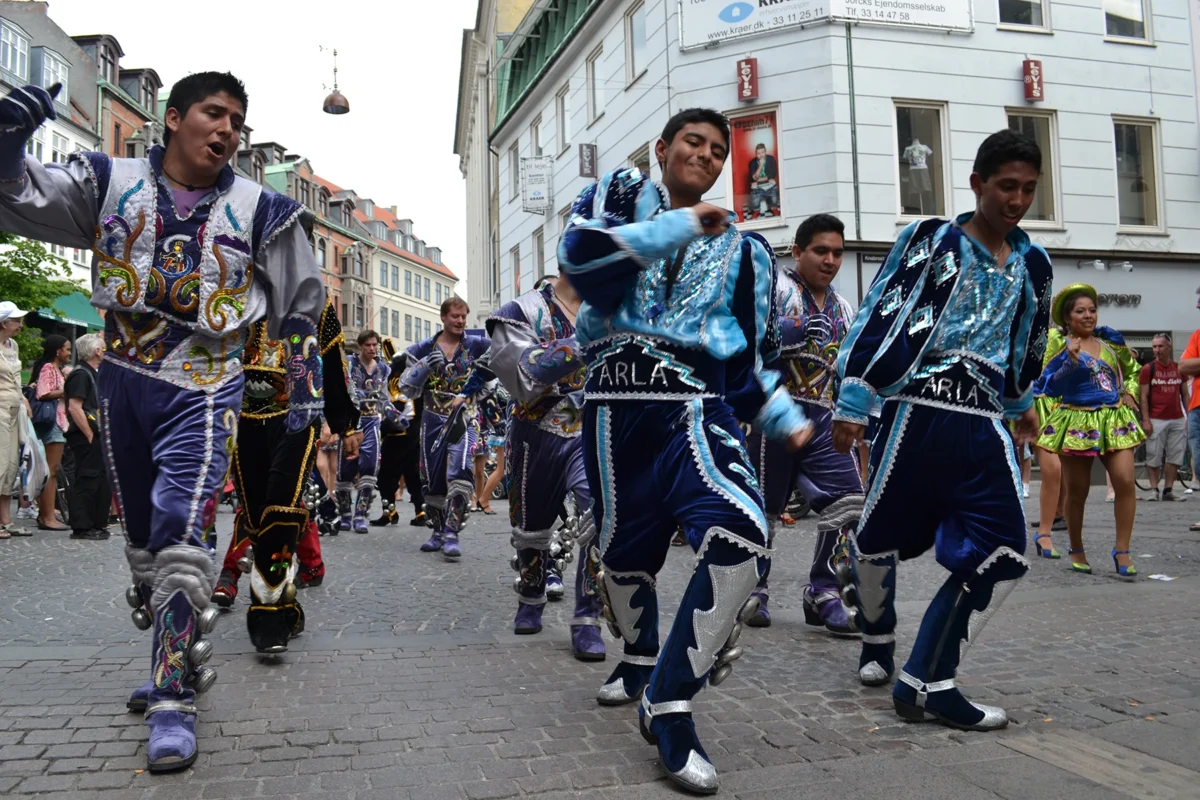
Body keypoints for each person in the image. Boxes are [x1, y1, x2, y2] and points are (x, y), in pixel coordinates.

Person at [0, 74, 354, 772]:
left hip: (204, 384)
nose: (225, 131)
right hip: (124, 381)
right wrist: (9, 143)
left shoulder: (265, 209)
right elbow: (17, 197)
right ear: (173, 118)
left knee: (180, 528)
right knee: (140, 541)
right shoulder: (109, 181)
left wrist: (307, 396)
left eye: (237, 123)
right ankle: (175, 657)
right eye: (213, 114)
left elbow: (302, 304)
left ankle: (171, 696)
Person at [559, 107, 812, 794]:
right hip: (613, 412)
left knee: (742, 531)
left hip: (694, 411)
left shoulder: (747, 252)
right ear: (663, 148)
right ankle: (638, 655)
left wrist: (788, 418)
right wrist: (678, 225)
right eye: (691, 143)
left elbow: (751, 360)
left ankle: (668, 701)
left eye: (715, 150)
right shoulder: (616, 194)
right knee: (622, 558)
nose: (703, 156)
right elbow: (581, 263)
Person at [832, 129, 1052, 732]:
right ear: (978, 183)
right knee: (878, 540)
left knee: (1006, 551)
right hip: (918, 414)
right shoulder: (933, 239)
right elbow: (884, 307)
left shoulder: (1034, 262)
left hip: (983, 422)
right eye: (1006, 186)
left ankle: (928, 677)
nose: (1017, 200)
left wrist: (1021, 403)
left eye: (1028, 190)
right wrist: (854, 398)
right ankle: (878, 638)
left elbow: (1026, 341)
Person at [207, 298, 357, 652]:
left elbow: (333, 363)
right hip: (241, 420)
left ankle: (267, 614)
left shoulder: (313, 302)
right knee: (256, 511)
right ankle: (284, 601)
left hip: (296, 415)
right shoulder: (232, 292)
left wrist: (346, 424)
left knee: (283, 505)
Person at [745, 214, 862, 634]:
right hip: (774, 411)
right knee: (761, 507)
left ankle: (823, 590)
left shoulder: (845, 307)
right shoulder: (775, 289)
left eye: (837, 253)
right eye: (820, 251)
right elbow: (747, 339)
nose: (830, 260)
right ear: (797, 252)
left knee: (849, 500)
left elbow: (850, 365)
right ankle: (750, 589)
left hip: (824, 415)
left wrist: (856, 410)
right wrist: (790, 331)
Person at [486, 274, 606, 660]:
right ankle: (532, 593)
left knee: (598, 514)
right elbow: (524, 375)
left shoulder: (612, 308)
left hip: (590, 432)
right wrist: (586, 343)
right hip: (535, 434)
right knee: (530, 526)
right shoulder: (522, 311)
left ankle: (588, 617)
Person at [1036, 285, 1144, 577]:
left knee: (1124, 480)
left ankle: (1122, 550)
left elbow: (1132, 370)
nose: (1088, 315)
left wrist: (1130, 392)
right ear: (1068, 318)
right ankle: (1076, 547)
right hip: (1077, 421)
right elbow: (1047, 387)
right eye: (1080, 311)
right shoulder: (1058, 346)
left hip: (1114, 419)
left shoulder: (1111, 343)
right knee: (1077, 491)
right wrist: (1068, 363)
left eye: (1092, 310)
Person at [399, 297, 491, 561]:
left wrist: (473, 394)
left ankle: (452, 531)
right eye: (455, 316)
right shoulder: (424, 347)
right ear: (443, 317)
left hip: (464, 417)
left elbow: (494, 369)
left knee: (461, 469)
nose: (461, 321)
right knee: (433, 477)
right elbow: (405, 386)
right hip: (431, 417)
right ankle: (438, 531)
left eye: (464, 316)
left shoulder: (477, 345)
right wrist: (425, 365)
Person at [336, 330, 398, 533]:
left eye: (375, 345)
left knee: (370, 466)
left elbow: (384, 398)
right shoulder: (350, 365)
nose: (372, 349)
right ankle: (345, 514)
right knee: (346, 469)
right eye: (368, 345)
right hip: (352, 422)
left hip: (372, 421)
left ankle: (360, 515)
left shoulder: (383, 368)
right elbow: (346, 392)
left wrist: (396, 414)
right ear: (361, 346)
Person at [64, 333, 110, 540]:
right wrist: (90, 435)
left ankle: (96, 523)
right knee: (87, 479)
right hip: (86, 435)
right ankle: (83, 526)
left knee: (100, 479)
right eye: (104, 348)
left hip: (97, 434)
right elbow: (75, 407)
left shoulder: (93, 372)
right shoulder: (81, 374)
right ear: (96, 351)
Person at [370, 340, 421, 527]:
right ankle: (421, 510)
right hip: (415, 434)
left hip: (397, 435)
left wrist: (380, 430)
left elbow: (394, 410)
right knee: (412, 474)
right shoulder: (417, 381)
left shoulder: (395, 382)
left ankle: (389, 511)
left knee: (387, 476)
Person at [1139, 333, 1188, 501]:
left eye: (1160, 346)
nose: (1157, 350)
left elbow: (1185, 394)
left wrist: (1188, 416)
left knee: (1175, 455)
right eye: (1154, 347)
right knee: (1153, 455)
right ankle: (1154, 490)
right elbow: (1143, 397)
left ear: (1169, 347)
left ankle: (1168, 490)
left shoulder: (1178, 368)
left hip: (1177, 418)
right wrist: (1145, 419)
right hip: (1156, 418)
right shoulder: (1148, 369)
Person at [30, 334, 70, 531]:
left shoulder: (57, 369)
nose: (69, 353)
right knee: (51, 470)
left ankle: (46, 513)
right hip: (53, 421)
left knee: (51, 470)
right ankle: (46, 516)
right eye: (67, 349)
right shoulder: (49, 368)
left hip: (58, 421)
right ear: (57, 350)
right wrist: (66, 391)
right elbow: (43, 392)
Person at [0, 301, 31, 537]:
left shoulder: (13, 346)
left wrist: (23, 400)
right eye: (17, 321)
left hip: (14, 408)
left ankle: (6, 521)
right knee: (0, 463)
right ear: (4, 323)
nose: (20, 325)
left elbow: (17, 378)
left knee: (12, 465)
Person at [747, 143, 779, 218]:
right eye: (758, 153)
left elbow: (773, 174)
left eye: (762, 152)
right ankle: (756, 210)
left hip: (769, 185)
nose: (761, 155)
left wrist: (759, 179)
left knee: (773, 182)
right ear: (756, 154)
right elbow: (753, 178)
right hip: (758, 187)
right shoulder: (752, 163)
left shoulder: (771, 159)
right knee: (753, 185)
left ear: (765, 152)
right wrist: (761, 165)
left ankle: (774, 207)